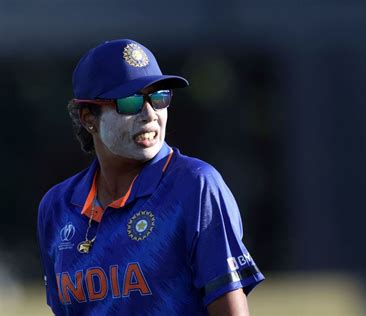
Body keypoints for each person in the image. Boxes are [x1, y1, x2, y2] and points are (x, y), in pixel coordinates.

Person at [37, 39, 264, 316]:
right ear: (88, 118)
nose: (149, 114)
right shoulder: (57, 206)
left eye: (159, 97)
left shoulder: (195, 185)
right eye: (130, 101)